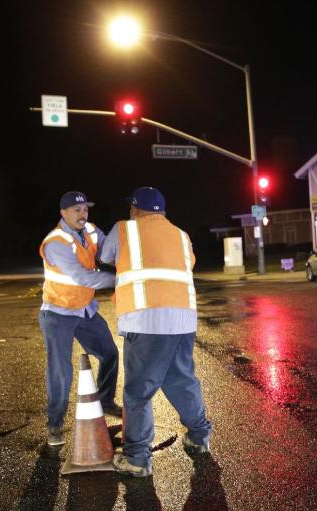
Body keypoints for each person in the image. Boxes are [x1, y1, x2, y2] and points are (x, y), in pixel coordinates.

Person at [100, 186, 213, 478]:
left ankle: (137, 457)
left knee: (139, 391)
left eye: (131, 207)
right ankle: (199, 437)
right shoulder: (181, 234)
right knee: (182, 379)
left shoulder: (125, 229)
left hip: (146, 319)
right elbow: (188, 263)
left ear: (136, 209)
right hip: (183, 320)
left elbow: (106, 255)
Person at [38, 191, 122, 447]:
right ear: (63, 213)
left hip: (85, 309)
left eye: (85, 209)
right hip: (58, 314)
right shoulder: (56, 242)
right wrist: (121, 280)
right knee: (61, 371)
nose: (83, 214)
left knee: (109, 353)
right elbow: (83, 277)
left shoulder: (91, 231)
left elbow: (110, 251)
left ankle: (105, 401)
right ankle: (55, 424)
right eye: (77, 210)